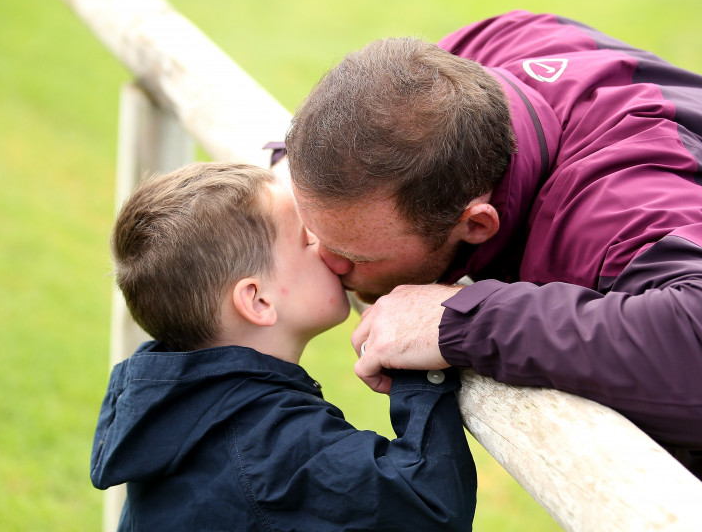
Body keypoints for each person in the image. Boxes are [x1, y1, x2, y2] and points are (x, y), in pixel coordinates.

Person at [278, 10, 702, 531]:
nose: (323, 260)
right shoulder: (484, 61)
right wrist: (286, 175)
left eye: (353, 255)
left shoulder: (622, 195)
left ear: (477, 225)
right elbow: (376, 117)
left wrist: (457, 318)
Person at [90, 162, 477, 531]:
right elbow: (428, 507)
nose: (326, 243)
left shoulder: (180, 407)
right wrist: (417, 361)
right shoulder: (270, 448)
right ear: (258, 301)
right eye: (306, 238)